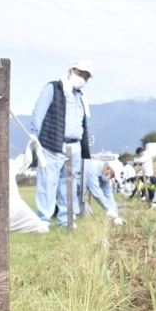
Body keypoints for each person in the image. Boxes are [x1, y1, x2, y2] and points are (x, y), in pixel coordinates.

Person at [30, 60, 93, 228]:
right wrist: (36, 141)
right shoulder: (53, 88)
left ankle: (66, 221)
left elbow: (82, 123)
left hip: (75, 146)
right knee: (47, 182)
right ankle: (43, 222)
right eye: (80, 73)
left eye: (86, 76)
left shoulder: (81, 97)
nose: (82, 78)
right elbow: (38, 115)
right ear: (71, 71)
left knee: (70, 184)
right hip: (52, 143)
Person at [83, 158, 125, 225]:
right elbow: (96, 192)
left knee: (89, 217)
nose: (111, 178)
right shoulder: (92, 167)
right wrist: (108, 210)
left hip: (79, 194)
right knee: (78, 213)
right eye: (112, 175)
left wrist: (116, 215)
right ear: (108, 168)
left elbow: (109, 196)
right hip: (70, 188)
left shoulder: (104, 177)